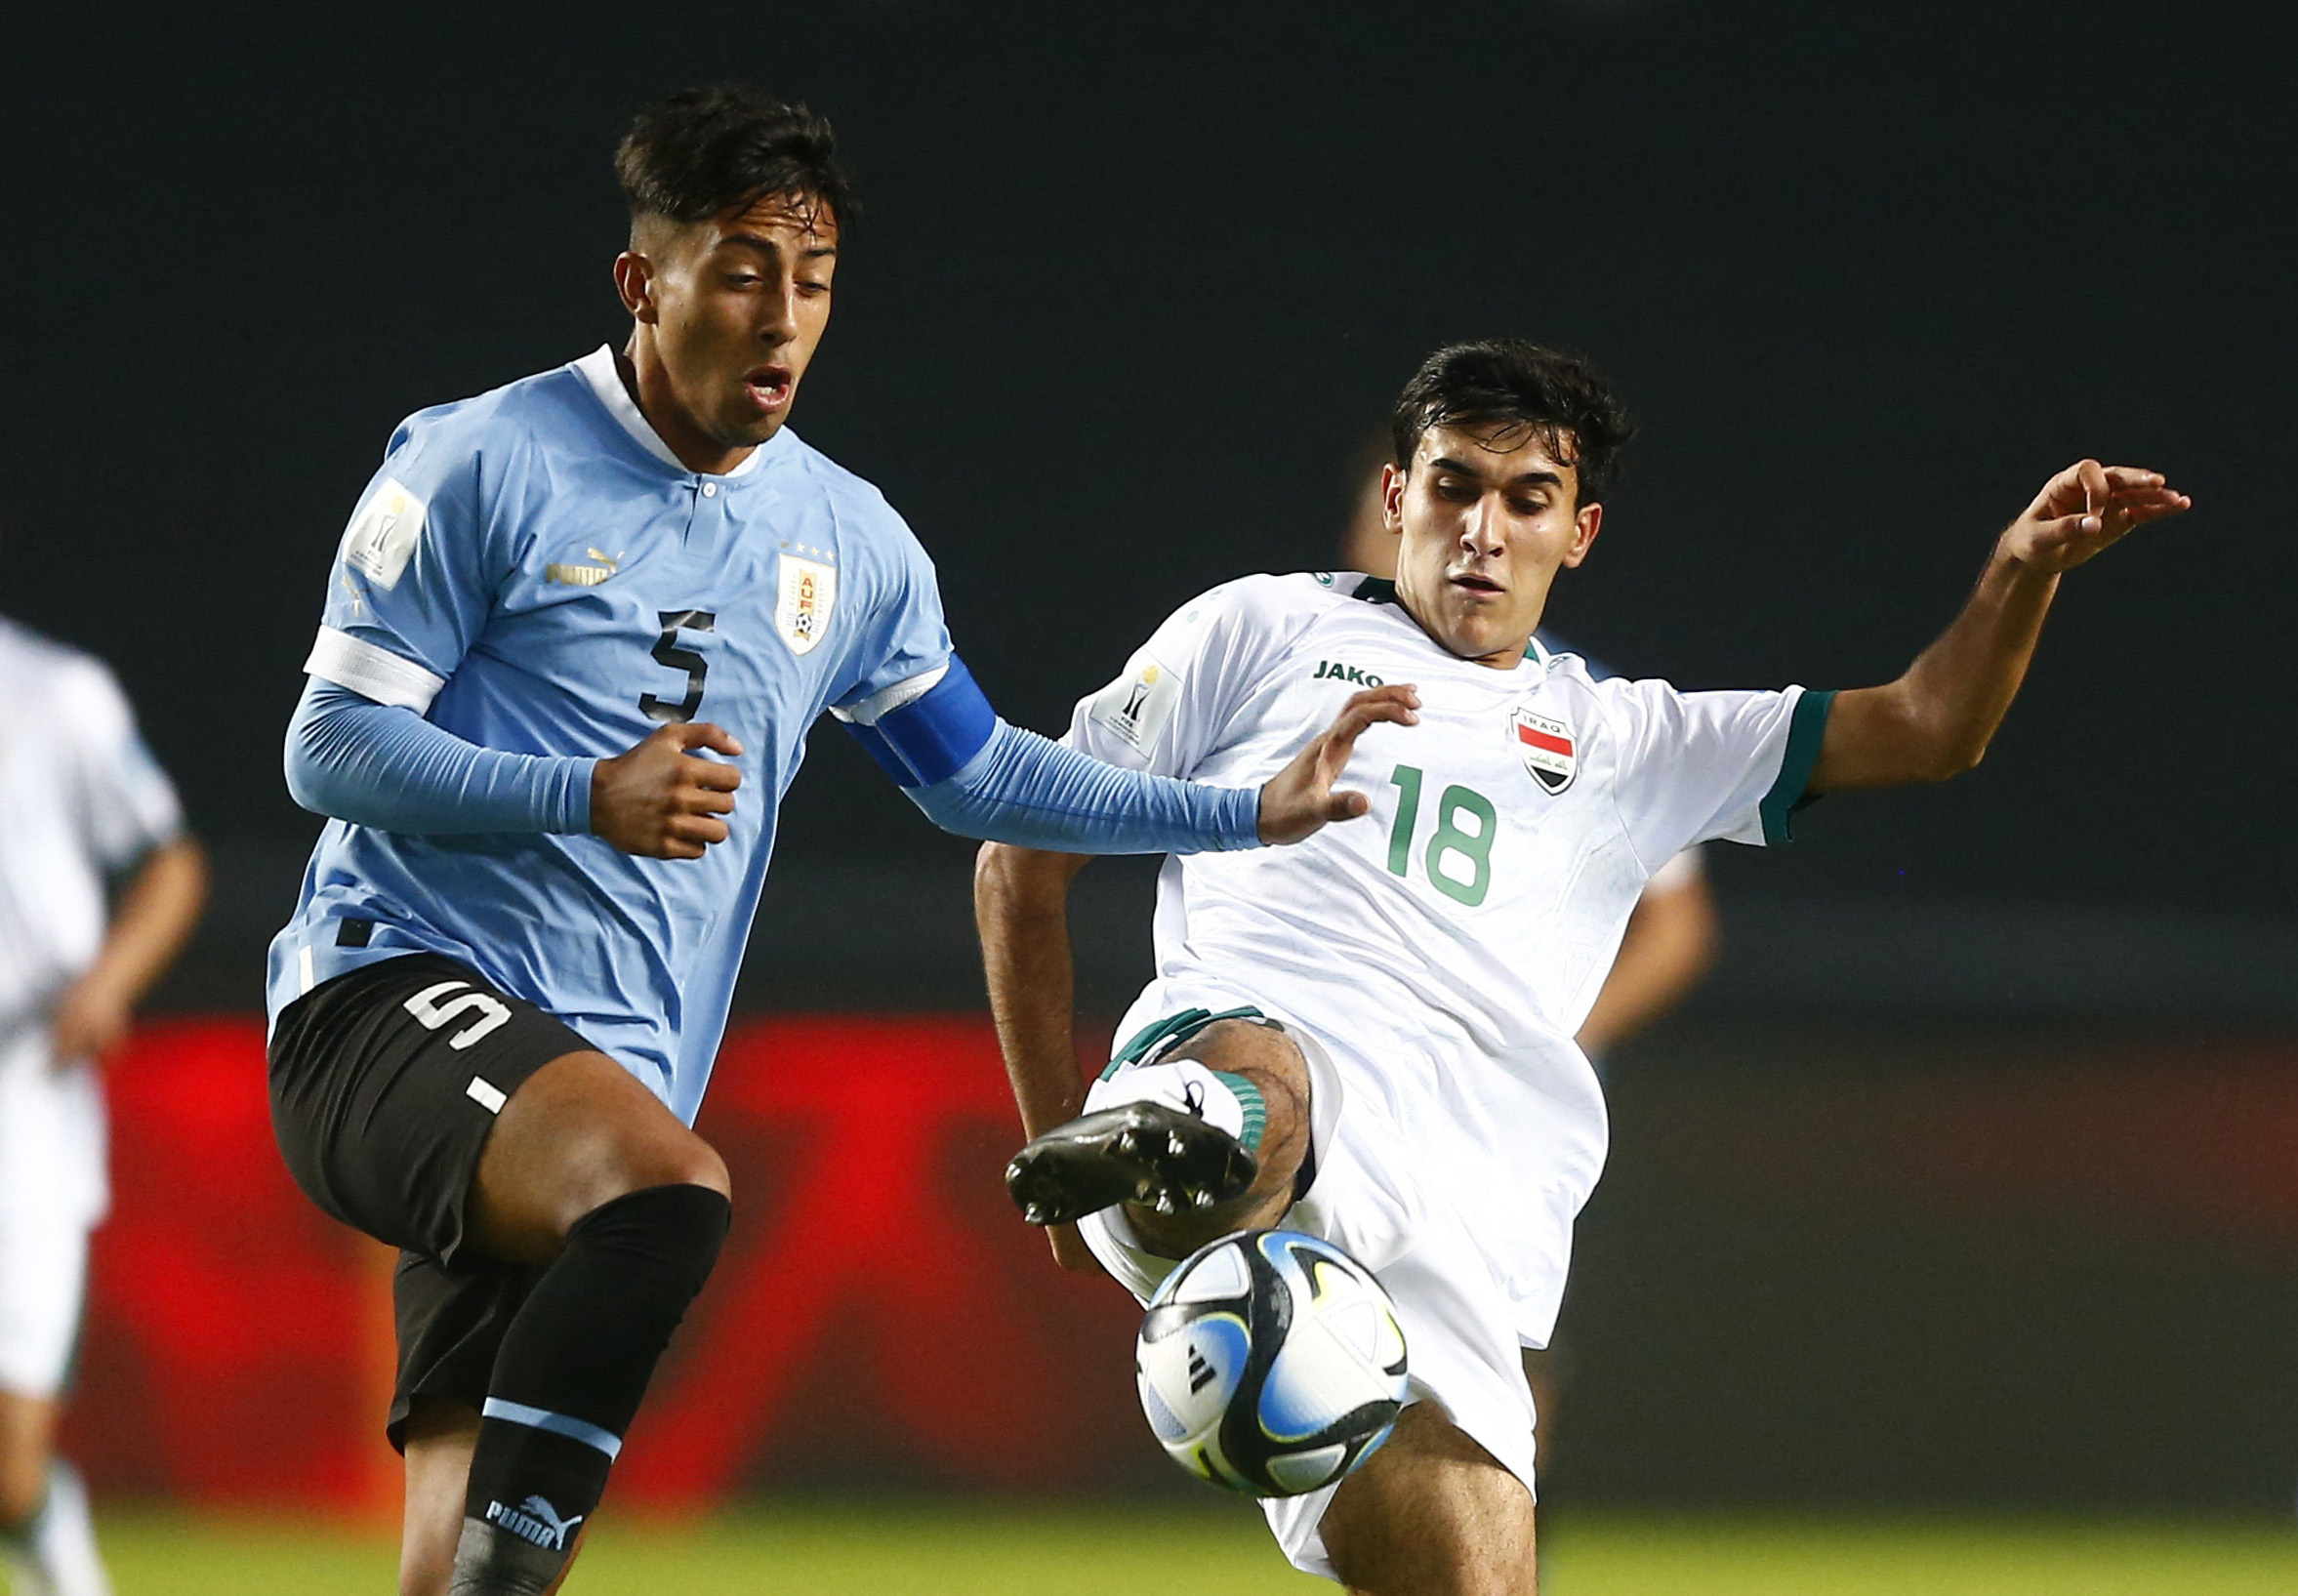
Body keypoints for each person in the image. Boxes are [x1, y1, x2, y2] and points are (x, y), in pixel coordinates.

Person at [264, 87, 1402, 1596]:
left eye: (810, 282)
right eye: (739, 270)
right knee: (669, 1195)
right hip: (383, 1007)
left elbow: (983, 773)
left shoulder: (848, 541)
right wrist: (584, 791)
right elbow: (326, 746)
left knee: (445, 1563)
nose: (781, 316)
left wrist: (1240, 809)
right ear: (641, 282)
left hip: (585, 1090)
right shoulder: (480, 461)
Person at [977, 340, 2187, 1592]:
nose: (1480, 532)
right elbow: (1020, 853)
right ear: (1396, 497)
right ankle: (1169, 1140)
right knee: (1267, 1083)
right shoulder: (1257, 628)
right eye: (1451, 487)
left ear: (1580, 531)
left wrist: (2019, 570)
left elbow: (1929, 729)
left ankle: (1186, 1169)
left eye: (1525, 500)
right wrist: (1049, 1120)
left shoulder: (1626, 737)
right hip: (1257, 1051)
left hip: (1466, 1210)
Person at [1338, 445, 1717, 1057]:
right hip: (1319, 1048)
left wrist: (1548, 1046)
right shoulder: (1297, 666)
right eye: (1410, 513)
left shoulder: (1588, 711)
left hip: (1479, 1103)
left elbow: (1678, 928)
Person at [0, 617, 207, 1596]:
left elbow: (170, 863)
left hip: (24, 1088)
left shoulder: (54, 692)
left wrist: (108, 983)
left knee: (7, 1465)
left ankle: (51, 1539)